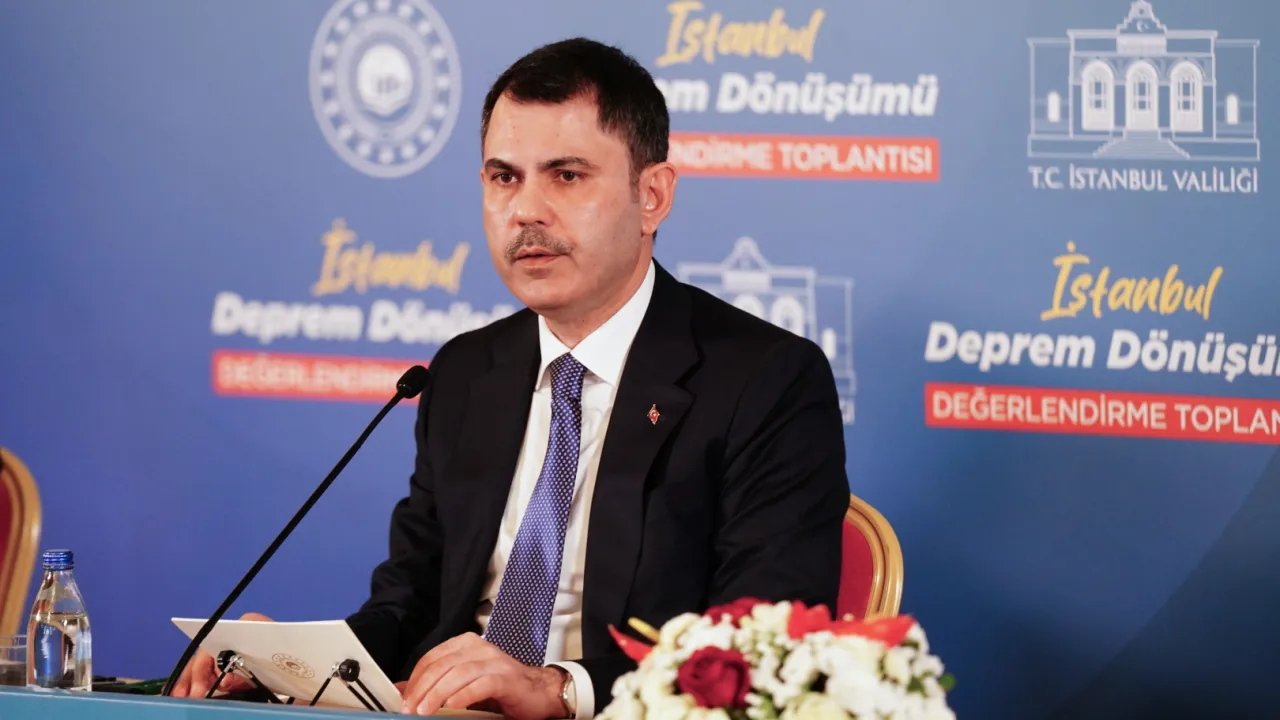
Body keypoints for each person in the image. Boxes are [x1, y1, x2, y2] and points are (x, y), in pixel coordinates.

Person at [173, 37, 849, 718]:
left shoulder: (762, 378)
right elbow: (409, 604)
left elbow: (758, 643)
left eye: (567, 176)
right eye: (504, 178)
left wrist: (558, 688)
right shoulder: (467, 372)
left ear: (652, 196)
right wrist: (286, 664)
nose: (526, 210)